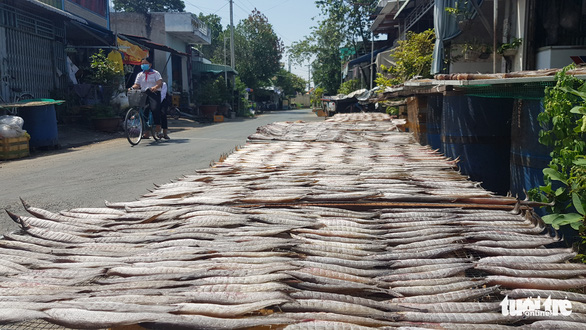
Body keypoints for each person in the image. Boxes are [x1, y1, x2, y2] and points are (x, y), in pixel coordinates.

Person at [130, 57, 169, 139]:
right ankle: (146, 132)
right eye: (142, 64)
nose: (143, 65)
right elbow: (137, 84)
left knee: (155, 108)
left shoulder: (156, 73)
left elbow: (160, 83)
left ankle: (158, 125)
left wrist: (155, 87)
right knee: (144, 111)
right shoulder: (140, 74)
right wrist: (132, 87)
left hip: (154, 93)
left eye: (145, 63)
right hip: (144, 93)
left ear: (150, 64)